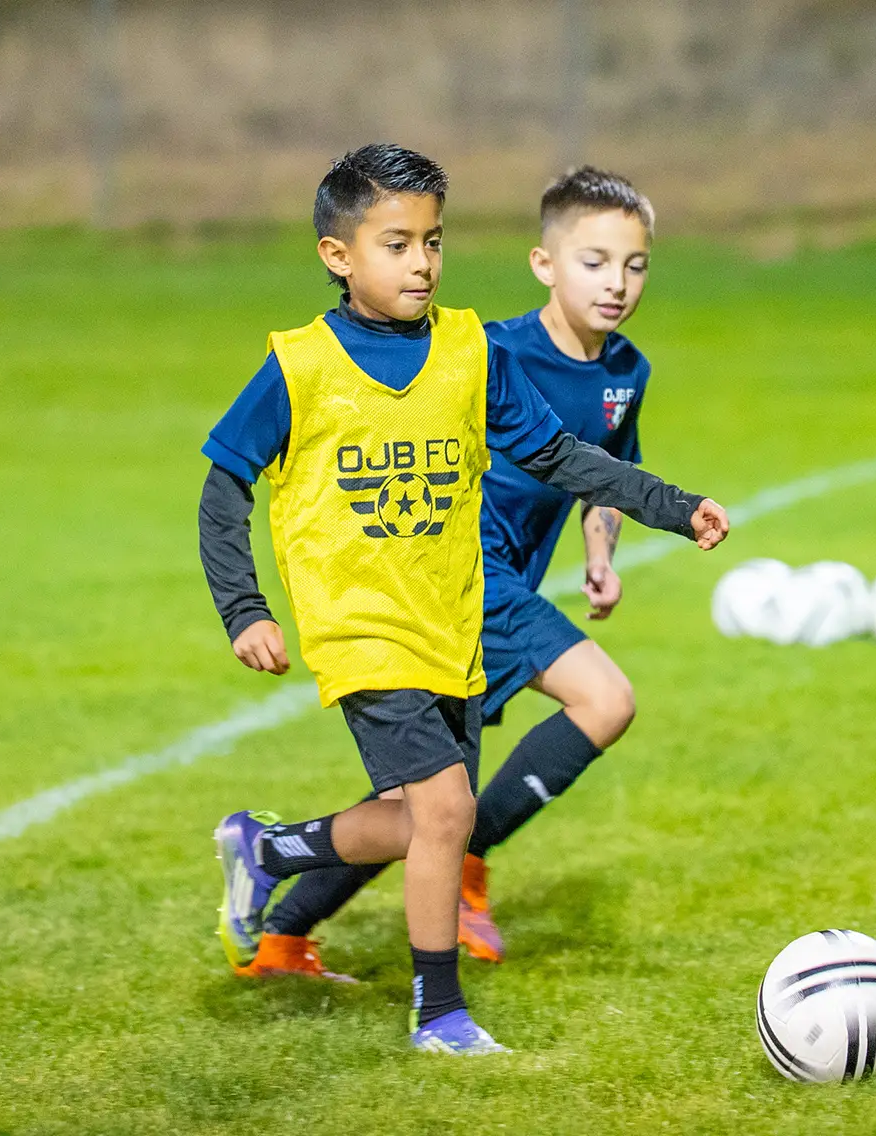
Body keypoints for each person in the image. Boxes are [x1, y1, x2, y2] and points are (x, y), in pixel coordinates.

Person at [196, 145, 729, 1056]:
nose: (422, 264)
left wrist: (670, 508)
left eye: (432, 243)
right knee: (445, 812)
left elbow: (565, 458)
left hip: (455, 617)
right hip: (364, 627)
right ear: (338, 257)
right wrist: (245, 608)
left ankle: (271, 853)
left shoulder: (468, 351)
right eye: (397, 244)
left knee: (425, 820)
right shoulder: (299, 367)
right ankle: (438, 1016)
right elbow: (224, 486)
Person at [250, 167, 666, 975]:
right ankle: (464, 870)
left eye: (634, 264)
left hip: (492, 593)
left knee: (421, 807)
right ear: (545, 264)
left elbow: (604, 472)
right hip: (462, 580)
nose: (615, 283)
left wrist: (600, 554)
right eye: (594, 261)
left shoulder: (627, 373)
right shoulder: (489, 351)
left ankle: (282, 932)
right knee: (603, 700)